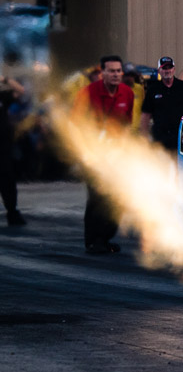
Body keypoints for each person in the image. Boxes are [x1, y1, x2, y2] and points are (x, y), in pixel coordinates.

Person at [72, 55, 135, 254]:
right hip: (92, 154)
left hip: (116, 154)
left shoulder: (127, 93)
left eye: (118, 71)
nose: (116, 74)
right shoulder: (87, 93)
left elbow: (126, 124)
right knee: (97, 196)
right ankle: (93, 240)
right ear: (102, 73)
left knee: (118, 197)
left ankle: (105, 237)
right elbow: (74, 124)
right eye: (111, 71)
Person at [139, 56, 183, 150]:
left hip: (181, 138)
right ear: (159, 70)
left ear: (174, 69)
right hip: (159, 139)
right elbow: (145, 116)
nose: (167, 71)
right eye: (164, 68)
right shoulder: (153, 89)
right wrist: (144, 138)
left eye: (170, 68)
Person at [0, 72, 26, 225]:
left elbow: (20, 91)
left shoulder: (2, 96)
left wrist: (5, 79)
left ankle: (12, 212)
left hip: (3, 147)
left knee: (7, 180)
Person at [122, 62, 145, 132]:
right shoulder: (117, 88)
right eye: (127, 75)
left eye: (132, 75)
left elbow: (143, 108)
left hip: (137, 129)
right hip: (122, 129)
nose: (129, 78)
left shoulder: (140, 89)